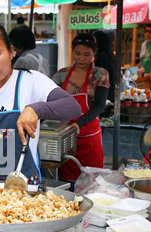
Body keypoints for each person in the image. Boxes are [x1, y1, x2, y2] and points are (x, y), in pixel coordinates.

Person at [0, 22, 81, 184]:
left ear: (10, 51)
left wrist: (35, 109)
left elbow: (73, 107)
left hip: (21, 188)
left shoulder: (31, 80)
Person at [52, 32, 109, 181]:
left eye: (86, 54)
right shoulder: (61, 75)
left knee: (91, 183)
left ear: (94, 53)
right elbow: (51, 101)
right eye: (77, 53)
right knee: (66, 181)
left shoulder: (100, 74)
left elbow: (99, 107)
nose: (81, 58)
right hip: (67, 138)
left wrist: (79, 124)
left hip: (90, 137)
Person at [93, 29, 115, 103]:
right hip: (112, 95)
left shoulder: (101, 59)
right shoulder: (110, 57)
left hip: (105, 98)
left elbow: (98, 80)